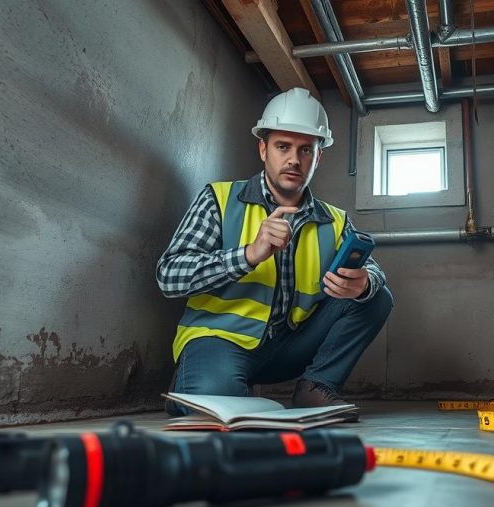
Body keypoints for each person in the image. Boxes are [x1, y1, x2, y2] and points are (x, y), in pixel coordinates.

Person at [156, 87, 392, 418]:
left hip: (287, 347)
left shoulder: (335, 219)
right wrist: (249, 254)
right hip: (221, 340)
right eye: (283, 147)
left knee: (377, 296)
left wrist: (365, 282)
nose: (294, 159)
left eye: (306, 150)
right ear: (263, 149)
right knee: (217, 407)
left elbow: (374, 271)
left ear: (317, 158)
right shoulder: (219, 199)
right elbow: (169, 275)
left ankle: (316, 386)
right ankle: (197, 382)